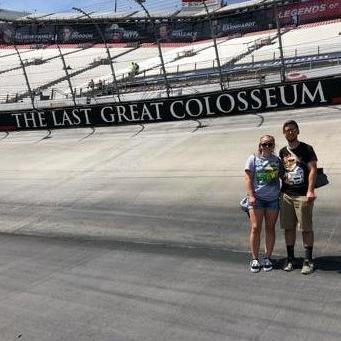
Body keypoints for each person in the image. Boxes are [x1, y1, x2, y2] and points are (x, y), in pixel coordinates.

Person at [279, 120, 317, 275]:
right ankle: (290, 259)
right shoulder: (282, 151)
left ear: (298, 131)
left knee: (306, 228)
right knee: (289, 228)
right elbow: (282, 171)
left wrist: (310, 191)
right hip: (287, 195)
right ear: (284, 133)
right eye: (287, 130)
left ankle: (308, 261)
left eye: (293, 130)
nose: (290, 132)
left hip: (302, 195)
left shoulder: (307, 149)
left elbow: (313, 170)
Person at [244, 135, 282, 273]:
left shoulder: (277, 160)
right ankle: (255, 258)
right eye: (264, 144)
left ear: (273, 146)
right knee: (255, 228)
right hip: (257, 199)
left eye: (270, 144)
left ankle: (267, 257)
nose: (267, 146)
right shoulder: (253, 159)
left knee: (270, 228)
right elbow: (247, 179)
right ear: (260, 145)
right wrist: (250, 195)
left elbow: (283, 176)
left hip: (273, 200)